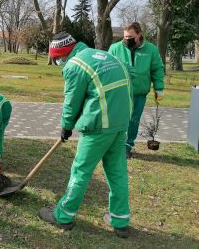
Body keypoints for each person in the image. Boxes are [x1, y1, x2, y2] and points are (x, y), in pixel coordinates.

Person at [38, 32, 133, 238]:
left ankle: (63, 215)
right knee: (117, 172)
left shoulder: (74, 65)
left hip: (99, 125)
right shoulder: (103, 55)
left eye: (56, 59)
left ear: (62, 54)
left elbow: (72, 101)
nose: (57, 63)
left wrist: (66, 126)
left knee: (80, 171)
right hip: (120, 123)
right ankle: (120, 220)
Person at [108, 22, 164, 159]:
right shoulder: (115, 48)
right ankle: (114, 145)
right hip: (120, 92)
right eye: (125, 37)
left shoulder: (151, 50)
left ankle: (127, 146)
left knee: (133, 121)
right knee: (118, 119)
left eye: (130, 36)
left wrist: (159, 89)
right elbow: (107, 68)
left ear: (139, 35)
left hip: (139, 93)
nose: (127, 39)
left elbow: (157, 69)